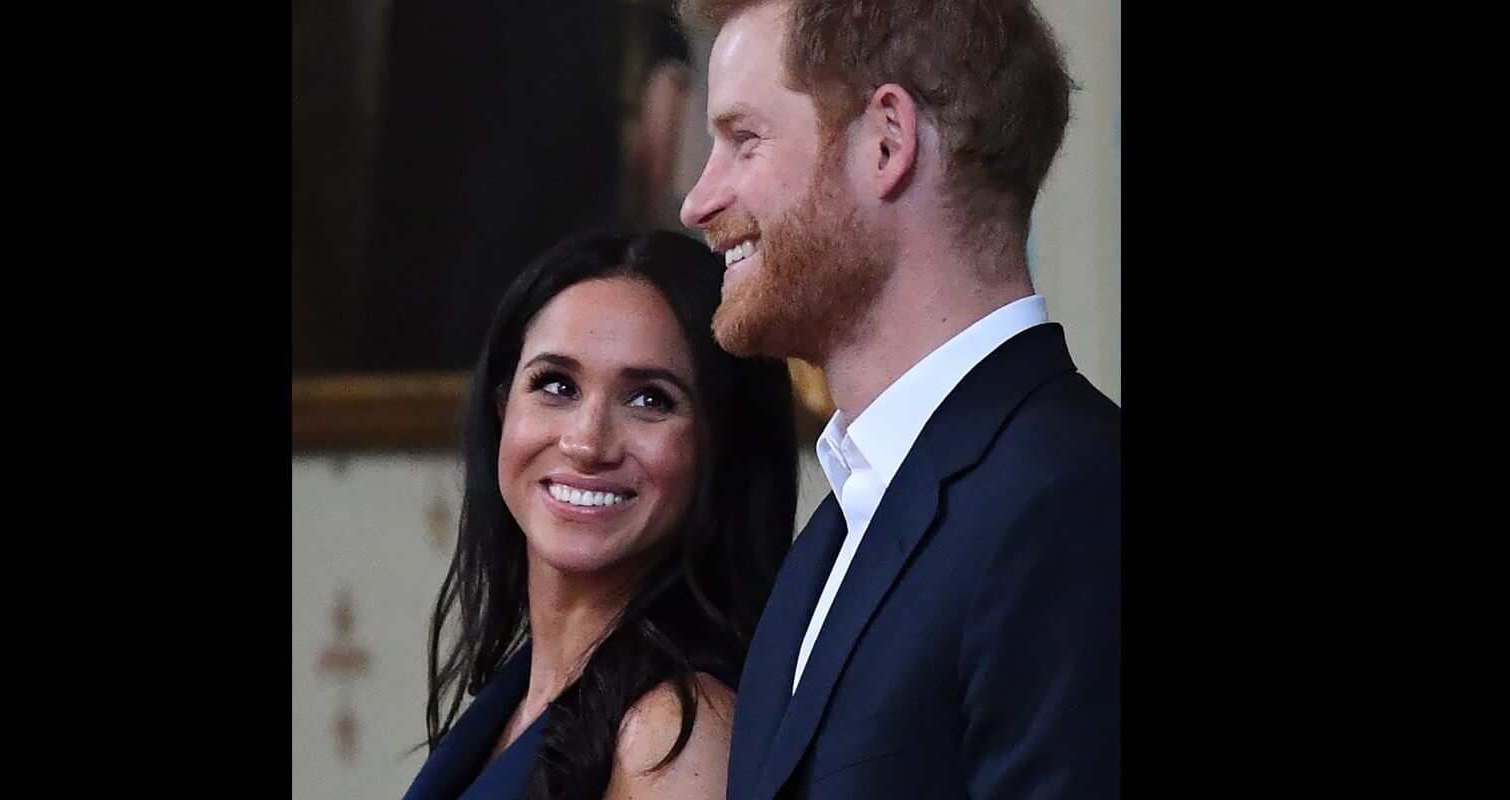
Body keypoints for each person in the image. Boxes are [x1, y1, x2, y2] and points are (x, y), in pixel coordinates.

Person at [675, 1, 1121, 797]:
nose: (699, 201)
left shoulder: (1072, 496)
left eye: (743, 141)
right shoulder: (834, 538)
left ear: (887, 141)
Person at [402, 230, 799, 800]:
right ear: (501, 409)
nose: (587, 444)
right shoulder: (516, 696)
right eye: (556, 385)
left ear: (721, 445)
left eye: (649, 400)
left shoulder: (677, 730)